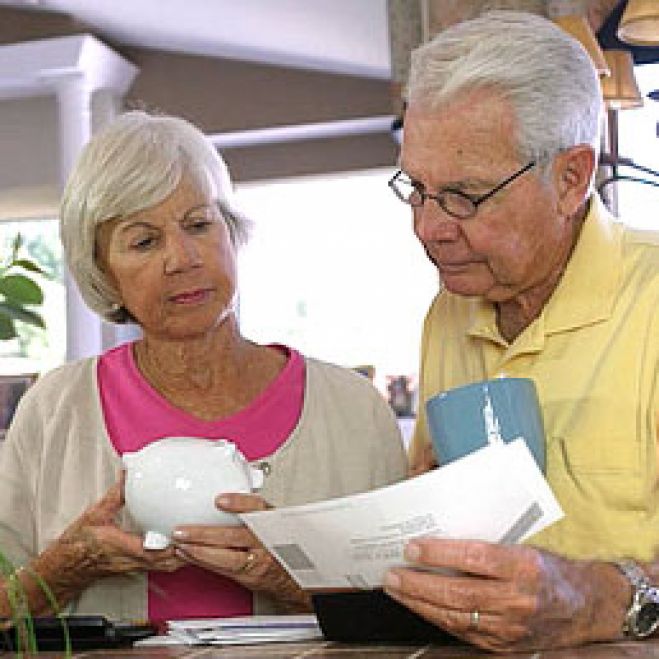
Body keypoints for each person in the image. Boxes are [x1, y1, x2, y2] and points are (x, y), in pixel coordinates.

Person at [0, 110, 407, 622]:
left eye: (198, 225)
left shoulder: (352, 408)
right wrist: (68, 567)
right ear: (102, 271)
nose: (183, 257)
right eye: (145, 241)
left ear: (231, 233)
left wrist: (290, 577)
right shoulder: (54, 409)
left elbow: (411, 608)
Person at [381, 10, 659, 652]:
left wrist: (599, 601)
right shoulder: (449, 311)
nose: (428, 228)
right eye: (416, 189)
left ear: (571, 178)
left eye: (465, 196)